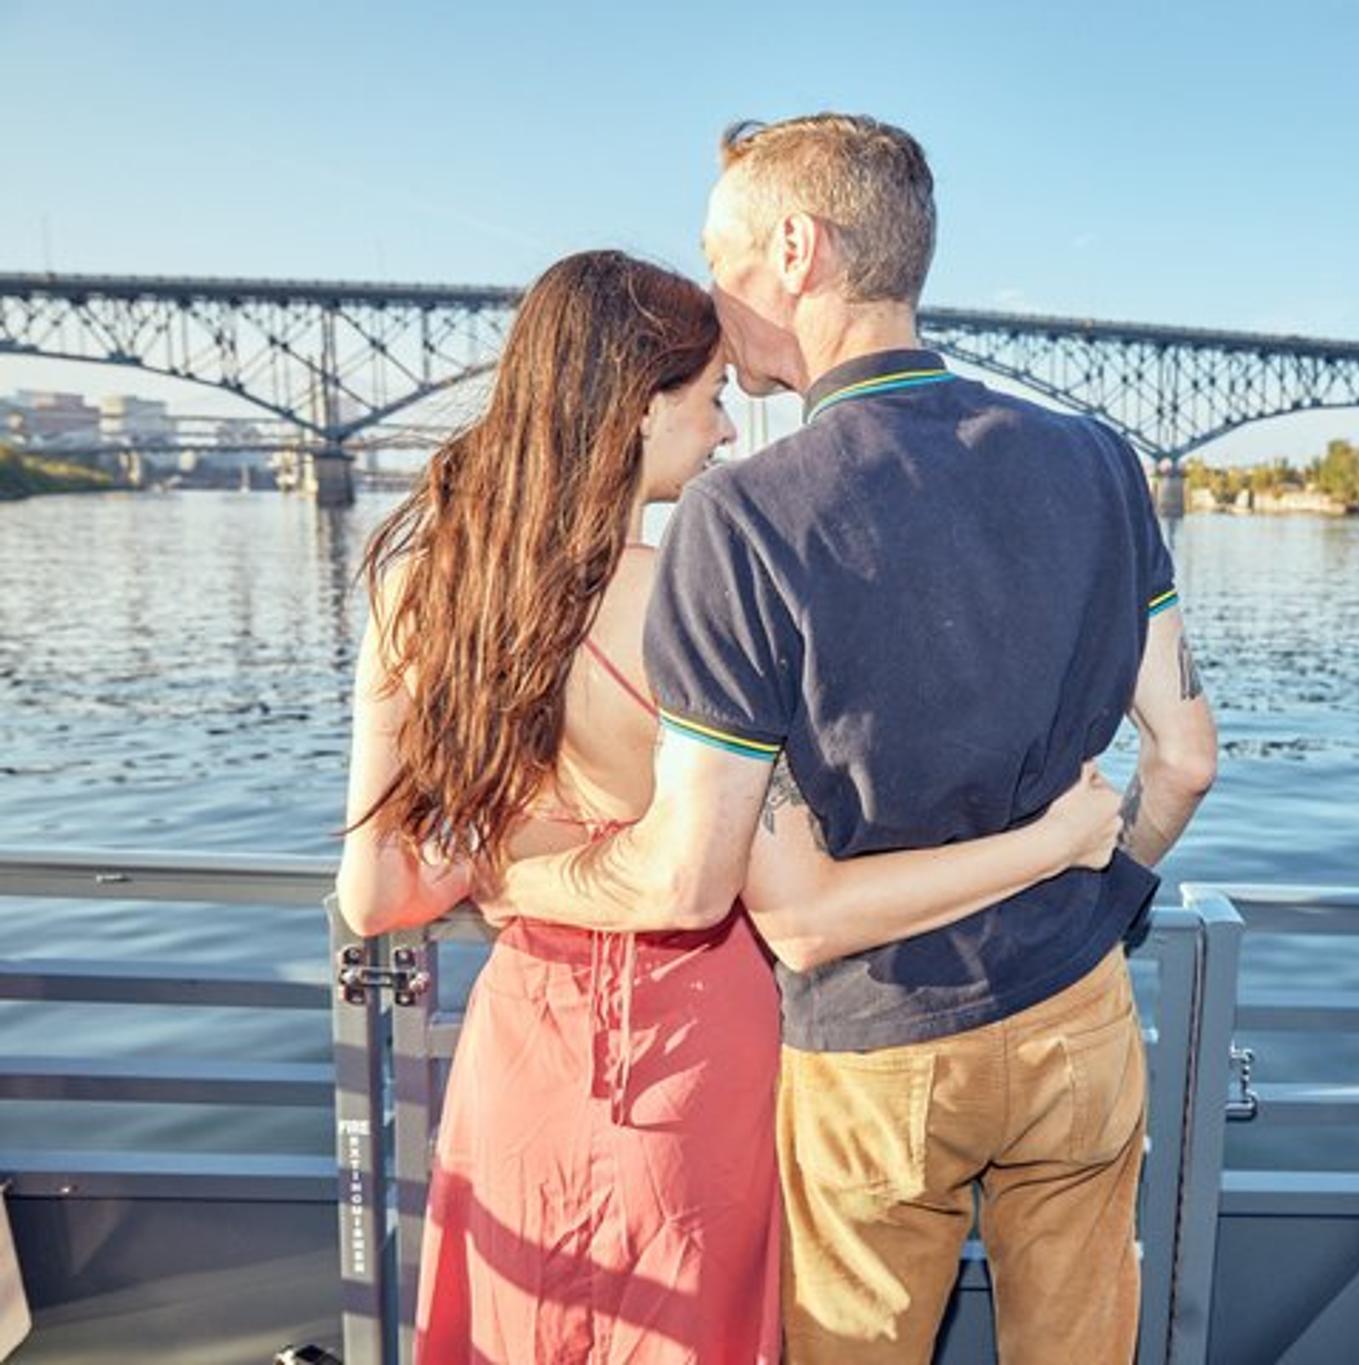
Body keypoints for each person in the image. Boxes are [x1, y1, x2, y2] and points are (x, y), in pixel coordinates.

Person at [498, 117, 1219, 1363]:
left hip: (878, 1052)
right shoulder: (1099, 463)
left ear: (794, 247)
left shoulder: (741, 520)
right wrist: (1089, 890)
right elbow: (1184, 756)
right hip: (1081, 1022)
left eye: (718, 255)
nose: (710, 298)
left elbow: (788, 914)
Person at [335, 249, 1124, 1365]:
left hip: (519, 1051)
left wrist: (515, 869)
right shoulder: (682, 593)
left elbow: (375, 894)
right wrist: (1051, 841)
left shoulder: (414, 589)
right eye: (706, 401)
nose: (723, 434)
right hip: (696, 1047)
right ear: (636, 407)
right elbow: (740, 886)